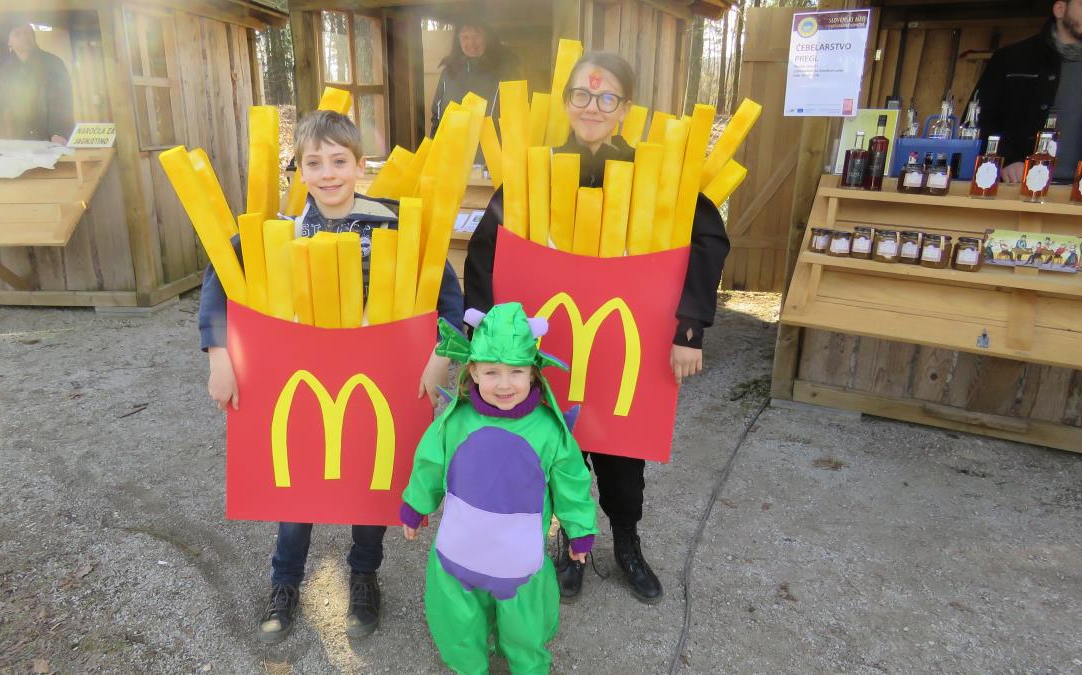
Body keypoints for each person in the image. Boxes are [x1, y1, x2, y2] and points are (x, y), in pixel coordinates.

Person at [463, 51, 731, 605]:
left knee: (622, 458)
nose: (593, 106)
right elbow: (489, 248)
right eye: (582, 95)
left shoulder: (655, 172)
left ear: (625, 108)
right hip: (552, 342)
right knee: (558, 452)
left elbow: (708, 238)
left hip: (624, 345)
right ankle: (571, 546)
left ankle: (627, 542)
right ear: (566, 103)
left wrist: (690, 327)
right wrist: (487, 335)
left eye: (607, 97)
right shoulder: (534, 172)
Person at [198, 110, 464, 643]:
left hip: (381, 377)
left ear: (360, 165)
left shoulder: (394, 222)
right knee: (297, 485)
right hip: (298, 377)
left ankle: (364, 576)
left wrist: (444, 352)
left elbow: (447, 291)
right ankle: (285, 581)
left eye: (339, 161)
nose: (327, 173)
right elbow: (219, 281)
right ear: (300, 171)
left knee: (372, 480)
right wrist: (218, 355)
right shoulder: (282, 229)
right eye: (314, 163)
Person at [400, 302, 598, 674]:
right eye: (491, 372)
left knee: (525, 630)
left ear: (533, 373)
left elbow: (572, 481)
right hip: (458, 557)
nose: (504, 384)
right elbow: (430, 462)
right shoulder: (455, 421)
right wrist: (416, 504)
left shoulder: (548, 430)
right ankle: (469, 667)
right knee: (458, 626)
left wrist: (579, 529)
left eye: (516, 372)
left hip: (519, 562)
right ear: (473, 371)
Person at [973, 0, 1082, 182]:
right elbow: (978, 120)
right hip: (1019, 184)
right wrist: (1007, 160)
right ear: (1060, 9)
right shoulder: (1012, 59)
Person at [0, 25, 74, 143]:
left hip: (53, 136)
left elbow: (61, 101)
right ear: (8, 41)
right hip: (23, 136)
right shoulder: (3, 69)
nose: (24, 37)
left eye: (28, 32)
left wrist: (59, 132)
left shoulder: (52, 63)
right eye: (17, 34)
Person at [430, 20, 521, 135]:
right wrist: (434, 142)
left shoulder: (506, 70)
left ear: (487, 38)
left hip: (492, 145)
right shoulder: (448, 73)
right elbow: (437, 116)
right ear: (458, 40)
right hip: (453, 144)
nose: (471, 43)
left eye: (476, 36)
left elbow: (517, 116)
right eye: (465, 37)